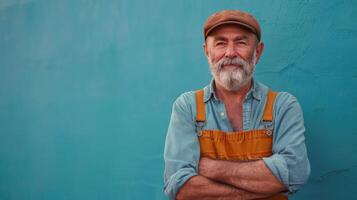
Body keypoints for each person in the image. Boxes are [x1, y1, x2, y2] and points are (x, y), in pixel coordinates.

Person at [163, 10, 310, 200]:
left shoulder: (282, 106)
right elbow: (180, 187)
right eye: (220, 43)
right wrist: (262, 187)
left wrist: (213, 168)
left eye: (241, 42)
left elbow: (295, 173)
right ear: (207, 51)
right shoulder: (187, 107)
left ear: (258, 51)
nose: (230, 53)